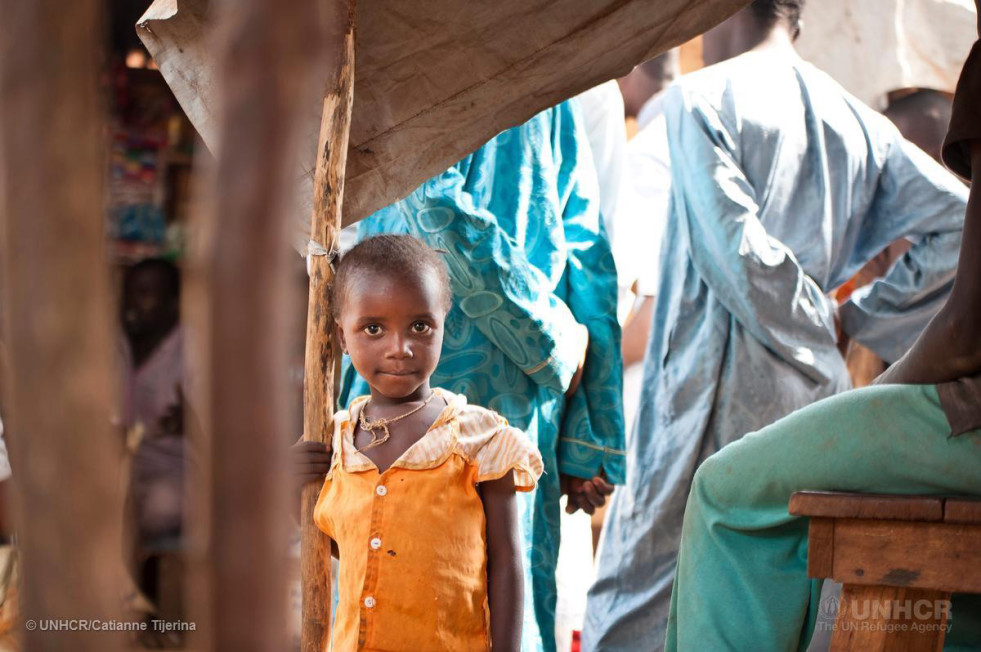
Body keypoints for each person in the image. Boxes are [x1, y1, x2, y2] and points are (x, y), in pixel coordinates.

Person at [584, 1, 969, 648]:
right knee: (786, 603)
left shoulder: (697, 99)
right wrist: (847, 320)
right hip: (813, 406)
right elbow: (961, 224)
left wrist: (831, 315)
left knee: (639, 608)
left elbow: (731, 251)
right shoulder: (856, 120)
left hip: (697, 404)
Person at [341, 102, 625, 651]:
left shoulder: (567, 72)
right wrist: (554, 342)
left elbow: (584, 240)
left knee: (503, 578)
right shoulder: (430, 56)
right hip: (427, 371)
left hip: (527, 394)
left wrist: (587, 433)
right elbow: (433, 202)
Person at [292, 235, 543, 651]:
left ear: (445, 324)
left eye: (420, 327)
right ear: (341, 335)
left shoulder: (479, 440)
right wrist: (291, 486)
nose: (399, 349)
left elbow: (508, 564)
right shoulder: (336, 441)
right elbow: (343, 546)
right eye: (373, 328)